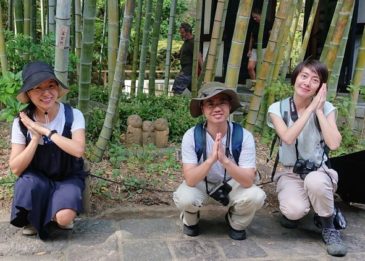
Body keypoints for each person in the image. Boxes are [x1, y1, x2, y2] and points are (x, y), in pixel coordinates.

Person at [267, 59, 347, 257]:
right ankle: (313, 206)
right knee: (293, 211)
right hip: (290, 172)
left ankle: (329, 227)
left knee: (315, 182)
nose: (307, 83)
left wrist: (318, 109)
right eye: (304, 76)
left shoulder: (327, 108)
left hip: (319, 172)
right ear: (295, 78)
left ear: (321, 87)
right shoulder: (277, 108)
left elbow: (334, 143)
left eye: (315, 80)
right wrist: (309, 109)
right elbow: (287, 137)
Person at [173, 81, 266, 240]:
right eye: (210, 103)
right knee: (185, 197)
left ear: (230, 106)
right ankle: (190, 219)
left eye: (222, 102)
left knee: (256, 195)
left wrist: (225, 161)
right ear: (202, 108)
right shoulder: (191, 136)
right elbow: (190, 179)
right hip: (202, 183)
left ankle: (236, 222)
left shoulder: (243, 136)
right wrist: (211, 160)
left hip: (231, 183)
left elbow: (248, 181)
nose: (217, 108)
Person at [9, 61, 87, 239]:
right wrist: (35, 138)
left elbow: (78, 150)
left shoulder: (74, 115)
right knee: (28, 184)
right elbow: (16, 168)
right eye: (38, 88)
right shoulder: (20, 123)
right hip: (36, 179)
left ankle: (49, 214)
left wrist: (45, 131)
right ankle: (36, 216)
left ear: (57, 88)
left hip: (68, 177)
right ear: (28, 93)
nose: (46, 93)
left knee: (64, 218)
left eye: (51, 86)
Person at [172, 23, 203, 96]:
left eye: (182, 33)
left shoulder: (193, 42)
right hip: (185, 69)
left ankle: (175, 105)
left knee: (177, 88)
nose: (181, 34)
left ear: (188, 32)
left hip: (189, 71)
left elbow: (199, 56)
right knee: (193, 91)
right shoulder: (186, 42)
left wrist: (203, 70)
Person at [247, 7, 272, 81]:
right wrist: (249, 50)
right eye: (253, 17)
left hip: (264, 48)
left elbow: (271, 37)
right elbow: (251, 38)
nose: (254, 19)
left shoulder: (267, 24)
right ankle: (254, 83)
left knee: (262, 69)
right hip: (255, 48)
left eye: (256, 17)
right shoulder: (254, 24)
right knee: (250, 67)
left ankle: (260, 86)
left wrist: (270, 51)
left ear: (261, 15)